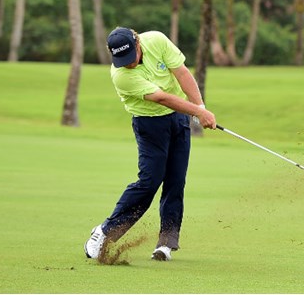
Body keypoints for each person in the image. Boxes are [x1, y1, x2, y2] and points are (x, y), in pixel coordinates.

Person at [84, 27, 217, 262]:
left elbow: (182, 72)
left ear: (138, 43)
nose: (129, 64)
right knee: (149, 181)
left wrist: (201, 108)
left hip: (177, 119)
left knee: (176, 181)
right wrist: (196, 111)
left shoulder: (156, 40)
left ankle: (166, 242)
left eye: (131, 57)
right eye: (121, 60)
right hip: (149, 125)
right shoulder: (121, 76)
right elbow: (162, 98)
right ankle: (105, 232)